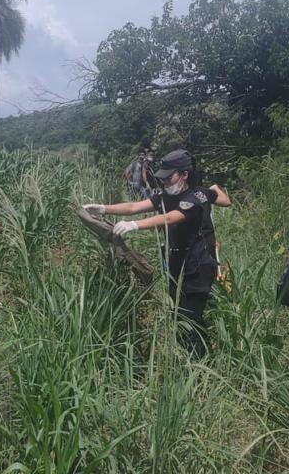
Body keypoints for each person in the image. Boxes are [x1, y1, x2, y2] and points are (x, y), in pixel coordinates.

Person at [85, 149, 230, 355]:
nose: (165, 183)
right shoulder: (165, 197)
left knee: (188, 321)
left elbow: (171, 217)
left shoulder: (196, 196)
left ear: (184, 175)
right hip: (176, 264)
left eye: (169, 178)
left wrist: (135, 225)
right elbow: (134, 206)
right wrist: (103, 208)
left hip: (198, 266)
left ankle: (201, 364)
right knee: (180, 316)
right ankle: (200, 354)